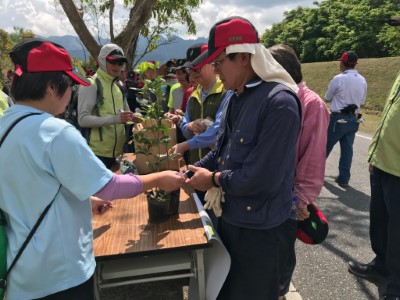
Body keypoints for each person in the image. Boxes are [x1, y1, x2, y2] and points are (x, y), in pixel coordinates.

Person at [0, 38, 184, 300]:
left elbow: (33, 186)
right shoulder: (55, 132)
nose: (71, 93)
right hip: (59, 276)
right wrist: (159, 179)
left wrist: (87, 200)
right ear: (52, 87)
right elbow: (111, 187)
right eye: (70, 86)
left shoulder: (5, 126)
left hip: (20, 274)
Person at [184, 16, 301, 299]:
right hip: (231, 219)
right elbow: (221, 152)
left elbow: (262, 179)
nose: (215, 69)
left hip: (260, 231)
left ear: (245, 57)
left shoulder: (279, 104)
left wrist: (210, 179)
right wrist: (190, 172)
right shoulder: (238, 97)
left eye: (220, 61)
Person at [268, 44, 330, 299]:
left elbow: (313, 159)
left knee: (281, 255)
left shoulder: (311, 104)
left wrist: (299, 200)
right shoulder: (278, 98)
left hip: (288, 199)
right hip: (268, 194)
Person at [347, 16, 400, 300]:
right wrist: (375, 154)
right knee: (380, 222)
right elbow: (391, 116)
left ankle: (396, 286)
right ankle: (381, 266)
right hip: (384, 163)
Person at [77, 44, 135, 169]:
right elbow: (82, 119)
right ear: (102, 61)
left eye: (120, 63)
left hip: (118, 153)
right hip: (96, 154)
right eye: (112, 62)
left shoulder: (119, 86)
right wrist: (116, 119)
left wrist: (135, 118)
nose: (117, 66)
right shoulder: (91, 84)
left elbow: (126, 114)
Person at [169, 43, 228, 165]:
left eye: (197, 67)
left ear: (212, 64)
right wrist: (190, 126)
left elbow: (218, 132)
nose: (193, 73)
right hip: (195, 165)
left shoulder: (226, 92)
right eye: (189, 69)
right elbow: (186, 128)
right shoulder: (194, 95)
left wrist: (185, 146)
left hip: (218, 168)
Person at [325, 50, 367, 187]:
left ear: (343, 63)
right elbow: (362, 102)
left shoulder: (338, 78)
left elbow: (327, 98)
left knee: (324, 147)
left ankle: (315, 174)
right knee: (347, 149)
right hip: (353, 118)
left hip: (338, 118)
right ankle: (344, 179)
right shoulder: (362, 80)